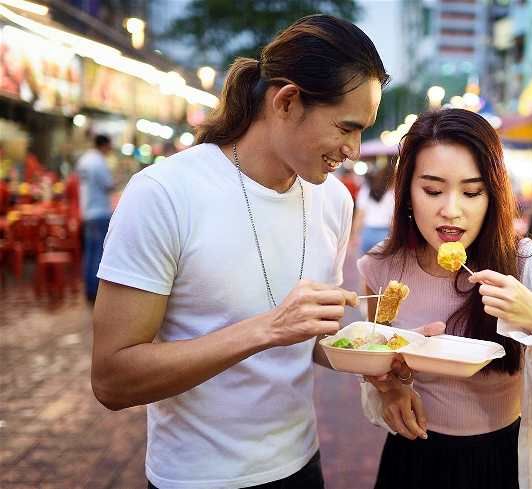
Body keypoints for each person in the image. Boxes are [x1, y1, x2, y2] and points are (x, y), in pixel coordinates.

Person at [91, 15, 389, 489]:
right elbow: (111, 379)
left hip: (302, 464)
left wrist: (385, 357)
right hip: (194, 478)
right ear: (287, 101)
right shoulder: (165, 192)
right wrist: (268, 328)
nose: (352, 150)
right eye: (346, 128)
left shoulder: (334, 200)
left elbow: (309, 337)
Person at [357, 109, 532, 489]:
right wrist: (390, 387)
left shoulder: (529, 266)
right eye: (432, 189)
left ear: (492, 196)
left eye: (472, 192)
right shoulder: (382, 267)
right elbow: (375, 354)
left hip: (499, 457)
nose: (452, 209)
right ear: (406, 192)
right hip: (410, 456)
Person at [77, 133, 114, 302]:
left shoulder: (84, 160)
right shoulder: (99, 162)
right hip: (99, 211)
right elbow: (108, 185)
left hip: (86, 211)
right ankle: (94, 291)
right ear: (104, 145)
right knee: (99, 252)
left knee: (89, 252)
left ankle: (88, 288)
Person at [355, 163, 395, 254]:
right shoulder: (393, 194)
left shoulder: (366, 190)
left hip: (367, 232)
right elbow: (394, 219)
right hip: (385, 234)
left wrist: (354, 234)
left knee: (363, 266)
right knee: (382, 267)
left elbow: (360, 215)